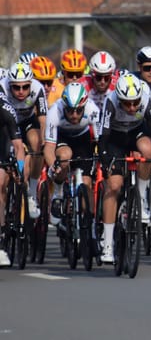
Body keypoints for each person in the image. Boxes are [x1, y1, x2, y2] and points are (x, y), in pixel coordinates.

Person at [97, 73, 151, 262]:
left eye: (135, 103)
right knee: (114, 186)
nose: (132, 107)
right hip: (114, 138)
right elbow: (103, 137)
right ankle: (108, 244)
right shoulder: (110, 101)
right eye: (127, 104)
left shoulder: (148, 99)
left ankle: (141, 198)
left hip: (137, 132)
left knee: (148, 149)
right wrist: (105, 161)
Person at [43, 83, 102, 226]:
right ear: (64, 107)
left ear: (84, 107)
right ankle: (58, 193)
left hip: (83, 140)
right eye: (70, 111)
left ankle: (89, 225)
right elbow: (49, 148)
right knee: (64, 156)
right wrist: (53, 167)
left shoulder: (93, 110)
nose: (74, 115)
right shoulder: (54, 112)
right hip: (62, 138)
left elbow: (100, 142)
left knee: (86, 184)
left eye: (79, 111)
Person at [1, 61, 49, 220]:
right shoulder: (2, 88)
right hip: (7, 124)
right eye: (16, 87)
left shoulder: (38, 88)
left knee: (37, 141)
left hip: (27, 121)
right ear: (10, 85)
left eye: (25, 87)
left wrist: (43, 141)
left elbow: (43, 119)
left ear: (30, 84)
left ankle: (32, 192)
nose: (21, 91)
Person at [0, 90, 25, 267]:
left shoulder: (5, 109)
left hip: (3, 142)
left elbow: (18, 147)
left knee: (0, 182)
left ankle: (1, 245)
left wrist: (20, 171)